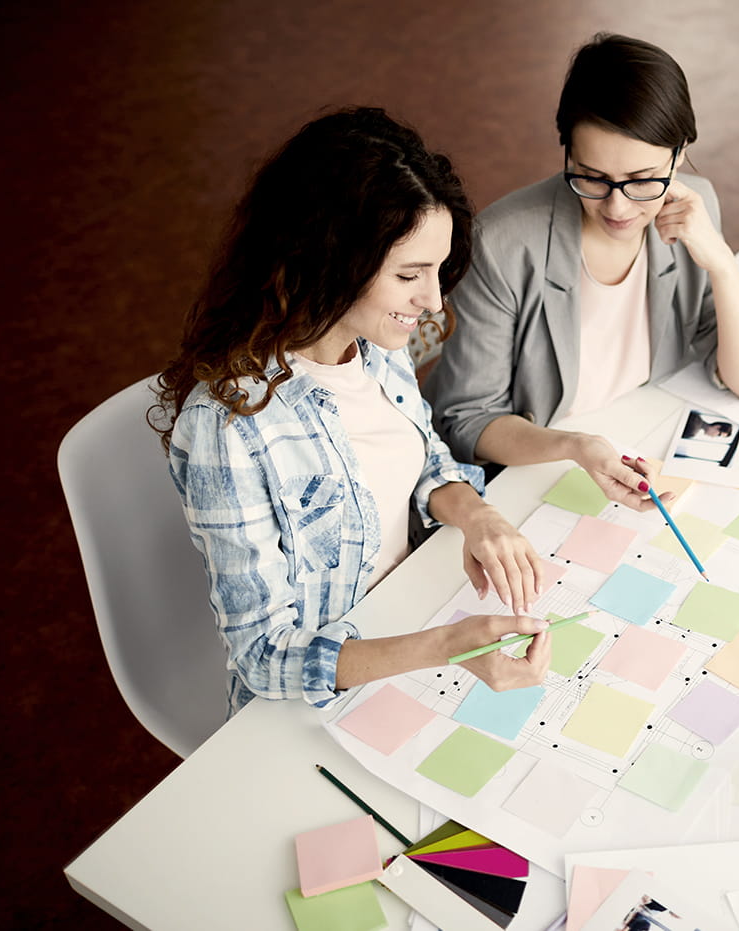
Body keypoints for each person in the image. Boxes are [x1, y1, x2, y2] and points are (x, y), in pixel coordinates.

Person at [152, 107, 550, 717]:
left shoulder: (377, 345)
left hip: (410, 619)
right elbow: (262, 655)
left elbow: (419, 456)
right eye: (409, 274)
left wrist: (474, 513)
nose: (433, 299)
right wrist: (445, 647)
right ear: (329, 259)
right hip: (326, 693)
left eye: (439, 270)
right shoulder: (227, 427)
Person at [424, 33, 739, 510]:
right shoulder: (504, 244)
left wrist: (723, 266)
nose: (617, 207)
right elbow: (466, 419)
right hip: (538, 474)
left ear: (680, 153)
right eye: (591, 176)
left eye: (642, 181)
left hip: (646, 440)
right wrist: (575, 446)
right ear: (567, 149)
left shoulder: (694, 207)